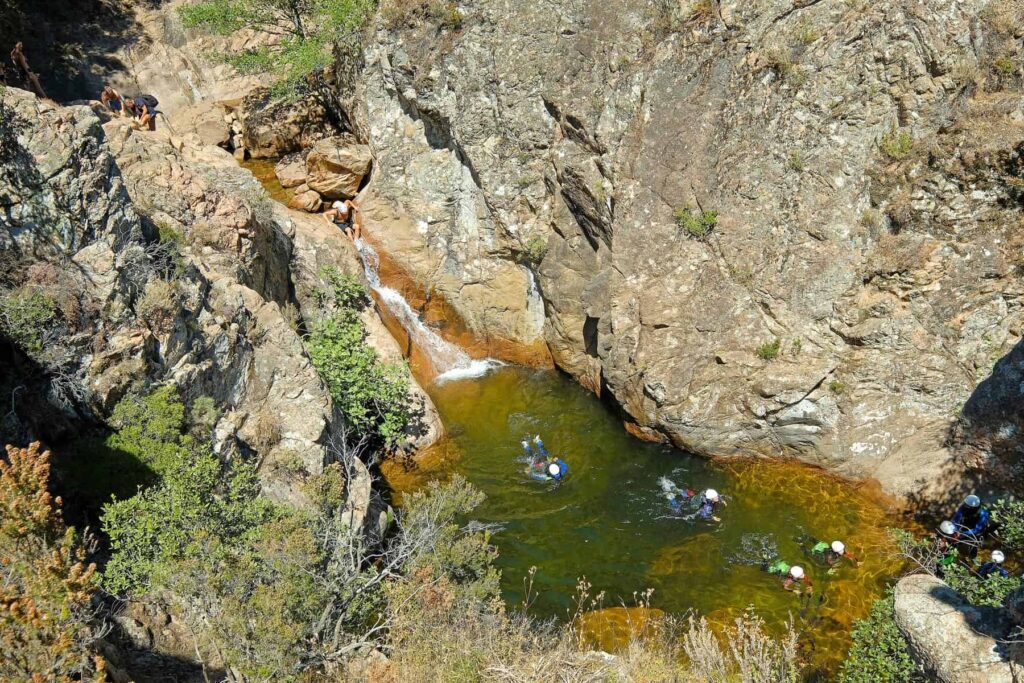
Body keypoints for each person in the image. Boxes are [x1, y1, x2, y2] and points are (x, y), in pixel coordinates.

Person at [951, 494, 990, 559]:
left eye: (967, 507)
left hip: (977, 529)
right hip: (966, 524)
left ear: (973, 508)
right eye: (965, 505)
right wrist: (955, 530)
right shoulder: (965, 506)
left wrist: (962, 534)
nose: (964, 507)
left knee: (974, 544)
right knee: (953, 540)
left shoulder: (984, 513)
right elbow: (956, 519)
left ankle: (972, 557)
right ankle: (954, 551)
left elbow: (977, 529)